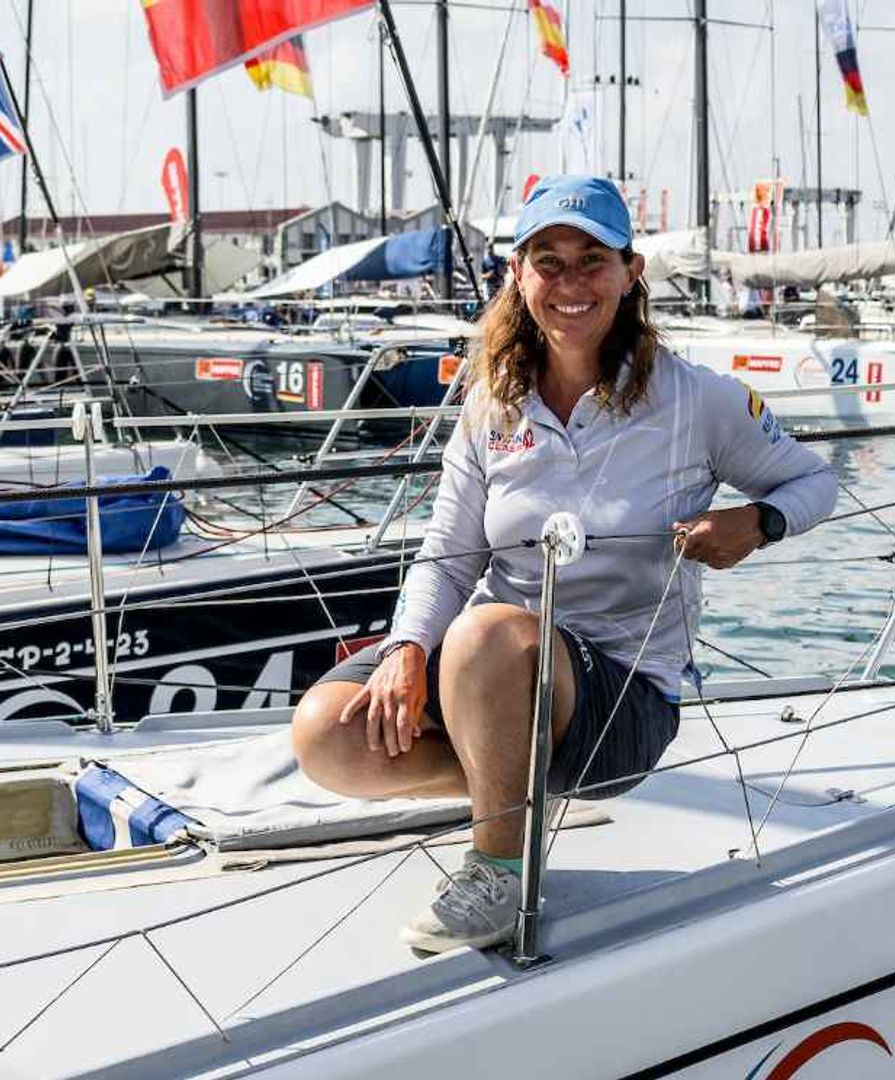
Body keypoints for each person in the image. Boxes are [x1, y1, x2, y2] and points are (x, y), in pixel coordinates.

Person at [291, 175, 838, 954]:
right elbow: (447, 554)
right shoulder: (492, 402)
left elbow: (816, 479)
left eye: (593, 261)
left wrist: (759, 520)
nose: (571, 283)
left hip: (621, 695)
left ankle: (500, 865)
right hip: (493, 672)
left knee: (485, 636)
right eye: (549, 261)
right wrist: (408, 650)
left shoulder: (697, 400)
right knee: (326, 736)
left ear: (630, 272)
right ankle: (508, 790)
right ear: (518, 274)